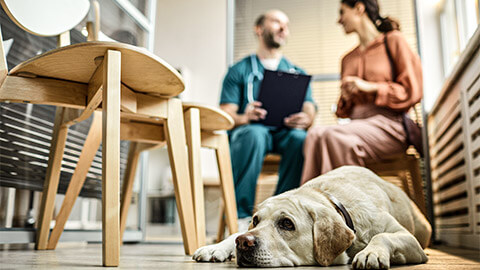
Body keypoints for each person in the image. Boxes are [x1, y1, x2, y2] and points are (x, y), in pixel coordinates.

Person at [301, 0, 422, 185]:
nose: (339, 20)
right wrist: (346, 98)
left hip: (390, 125)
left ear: (359, 8)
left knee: (333, 137)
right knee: (315, 135)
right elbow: (343, 112)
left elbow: (412, 91)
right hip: (356, 126)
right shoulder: (347, 59)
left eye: (342, 12)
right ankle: (313, 205)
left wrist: (371, 87)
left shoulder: (394, 40)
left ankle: (333, 205)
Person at [220, 10, 316, 228]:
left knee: (300, 139)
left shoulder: (296, 72)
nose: (283, 28)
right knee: (254, 134)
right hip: (251, 134)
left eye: (286, 24)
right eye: (276, 22)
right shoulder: (239, 71)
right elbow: (226, 114)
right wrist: (245, 116)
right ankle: (240, 217)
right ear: (259, 29)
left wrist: (305, 119)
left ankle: (281, 213)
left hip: (284, 133)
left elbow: (310, 109)